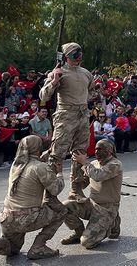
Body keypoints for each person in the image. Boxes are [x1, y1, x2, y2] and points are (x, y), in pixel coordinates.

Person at [0, 136, 66, 265]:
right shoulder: (40, 167)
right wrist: (59, 173)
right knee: (62, 211)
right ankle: (39, 247)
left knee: (13, 247)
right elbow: (55, 189)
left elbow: (34, 162)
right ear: (38, 148)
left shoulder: (16, 164)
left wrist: (48, 153)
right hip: (27, 218)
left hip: (6, 218)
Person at [39, 42, 94, 200]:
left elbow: (90, 90)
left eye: (80, 54)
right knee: (57, 153)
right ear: (67, 56)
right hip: (66, 114)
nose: (78, 57)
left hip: (82, 114)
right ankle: (50, 192)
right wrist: (54, 80)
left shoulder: (86, 73)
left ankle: (76, 189)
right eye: (75, 54)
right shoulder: (58, 72)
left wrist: (85, 100)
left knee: (80, 151)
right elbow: (43, 96)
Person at [61, 139, 122, 249]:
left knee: (87, 243)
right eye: (96, 149)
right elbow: (86, 182)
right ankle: (79, 232)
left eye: (100, 149)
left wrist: (84, 162)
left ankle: (111, 223)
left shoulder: (115, 164)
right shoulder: (94, 164)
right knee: (65, 207)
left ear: (109, 151)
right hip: (92, 204)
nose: (96, 152)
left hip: (107, 207)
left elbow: (98, 176)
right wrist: (77, 180)